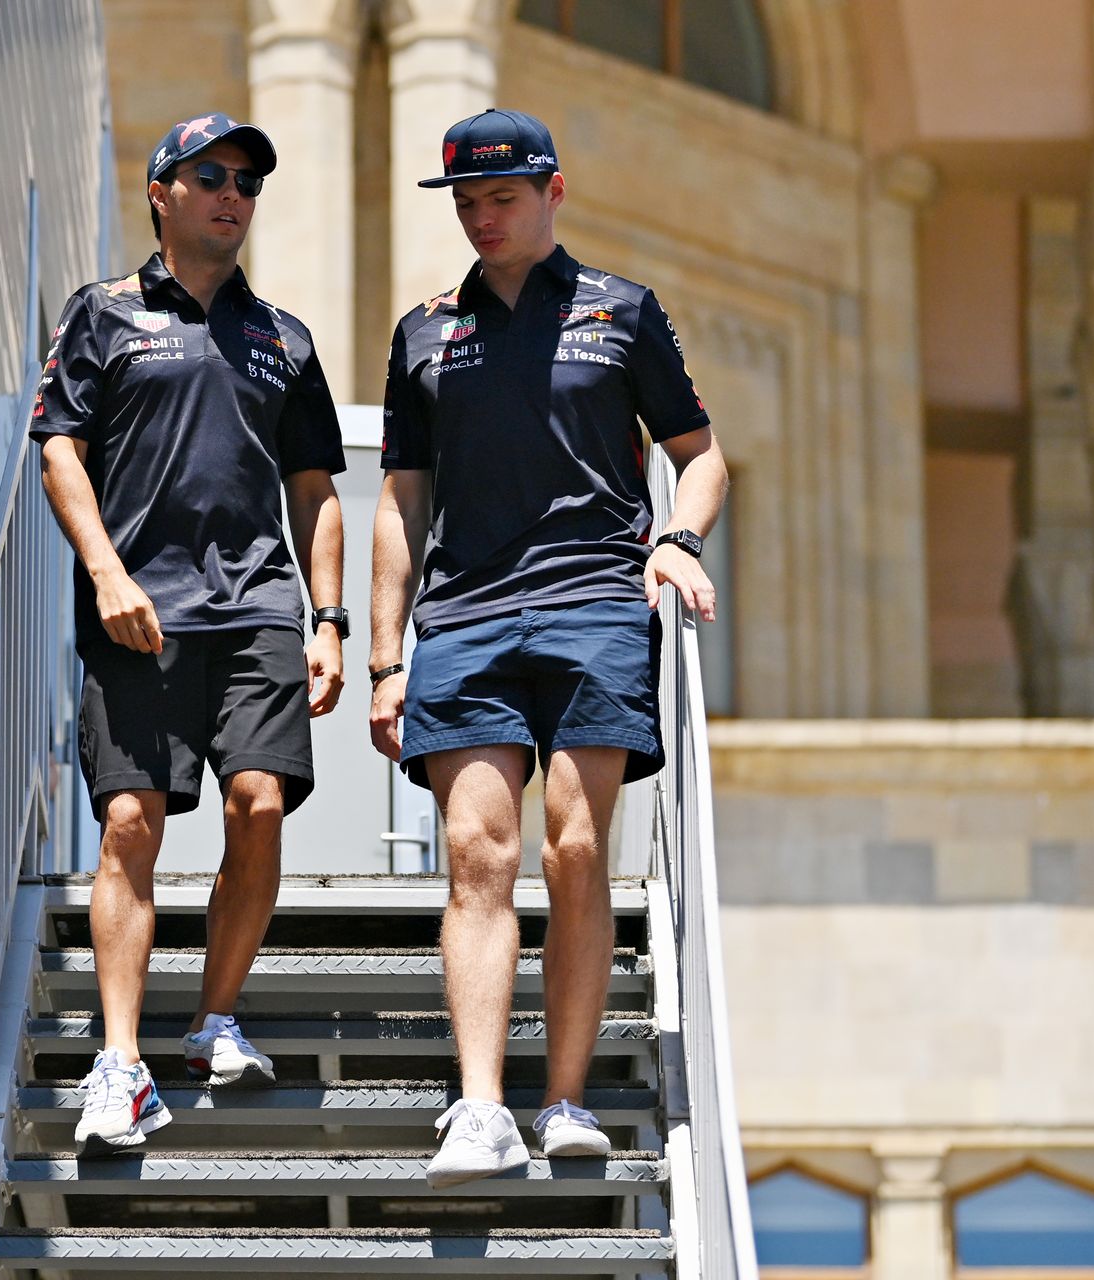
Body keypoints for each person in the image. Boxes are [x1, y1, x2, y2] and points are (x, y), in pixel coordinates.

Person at [368, 109, 729, 1188]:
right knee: (478, 853)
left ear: (552, 192)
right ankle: (481, 1109)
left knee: (575, 845)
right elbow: (401, 499)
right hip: (465, 617)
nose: (483, 218)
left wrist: (676, 540)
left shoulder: (624, 311)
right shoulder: (424, 332)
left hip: (594, 605)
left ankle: (565, 1099)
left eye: (503, 198)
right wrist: (386, 656)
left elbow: (701, 456)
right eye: (467, 202)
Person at [30, 111, 349, 1155]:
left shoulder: (285, 338)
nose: (232, 195)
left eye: (248, 182)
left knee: (259, 803)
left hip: (259, 607)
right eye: (210, 176)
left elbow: (316, 490)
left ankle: (216, 1017)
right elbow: (60, 453)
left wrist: (329, 620)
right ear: (160, 192)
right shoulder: (103, 314)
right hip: (141, 612)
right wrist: (106, 573)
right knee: (131, 820)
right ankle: (121, 1061)